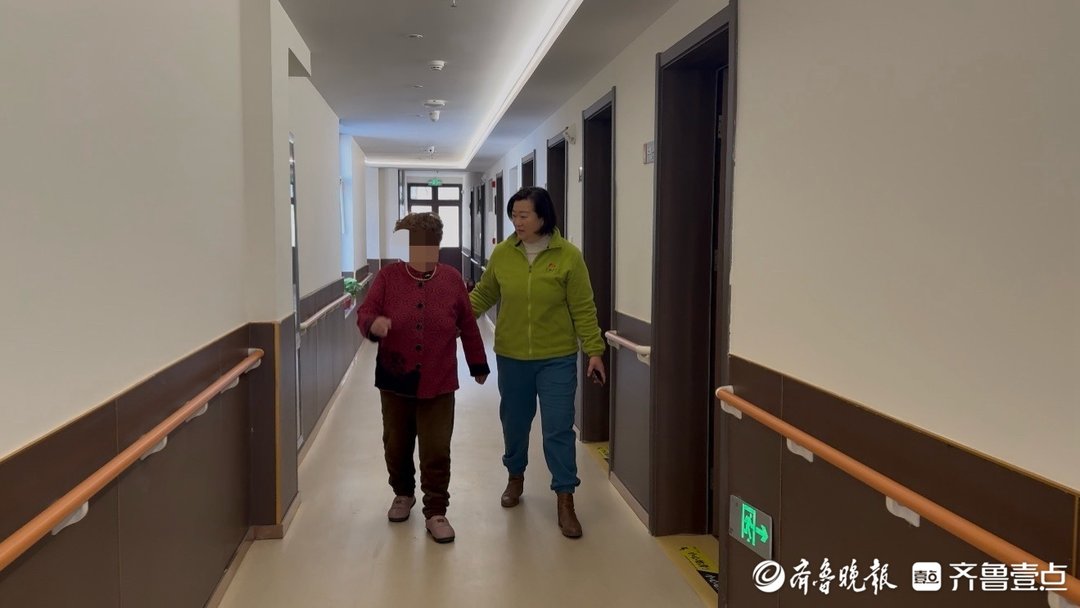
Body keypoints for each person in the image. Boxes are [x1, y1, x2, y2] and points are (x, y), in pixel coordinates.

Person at [470, 186, 606, 538]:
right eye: (513, 215)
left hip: (556, 357)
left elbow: (583, 307)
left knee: (558, 427)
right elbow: (485, 293)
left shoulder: (568, 257)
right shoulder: (503, 254)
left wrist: (594, 350)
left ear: (543, 216)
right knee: (514, 424)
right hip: (512, 356)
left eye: (524, 215)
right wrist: (455, 319)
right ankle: (515, 476)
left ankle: (565, 498)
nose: (517, 222)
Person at [357, 212, 490, 544]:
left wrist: (478, 364)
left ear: (438, 246)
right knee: (396, 444)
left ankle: (436, 510)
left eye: (430, 244)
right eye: (417, 244)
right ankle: (403, 493)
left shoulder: (451, 279)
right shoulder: (388, 277)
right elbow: (365, 312)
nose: (424, 251)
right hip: (395, 378)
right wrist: (373, 325)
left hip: (439, 379)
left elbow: (468, 325)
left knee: (436, 448)